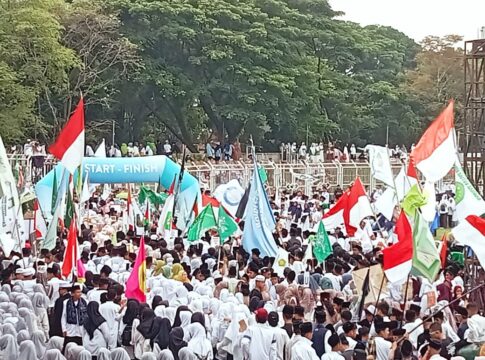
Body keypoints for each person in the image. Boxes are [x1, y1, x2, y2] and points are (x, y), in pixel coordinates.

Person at [61, 285, 87, 351]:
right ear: (72, 293)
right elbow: (64, 316)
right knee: (68, 347)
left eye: (80, 292)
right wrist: (64, 329)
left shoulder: (85, 302)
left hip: (81, 330)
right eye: (77, 292)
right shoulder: (66, 302)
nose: (79, 294)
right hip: (70, 330)